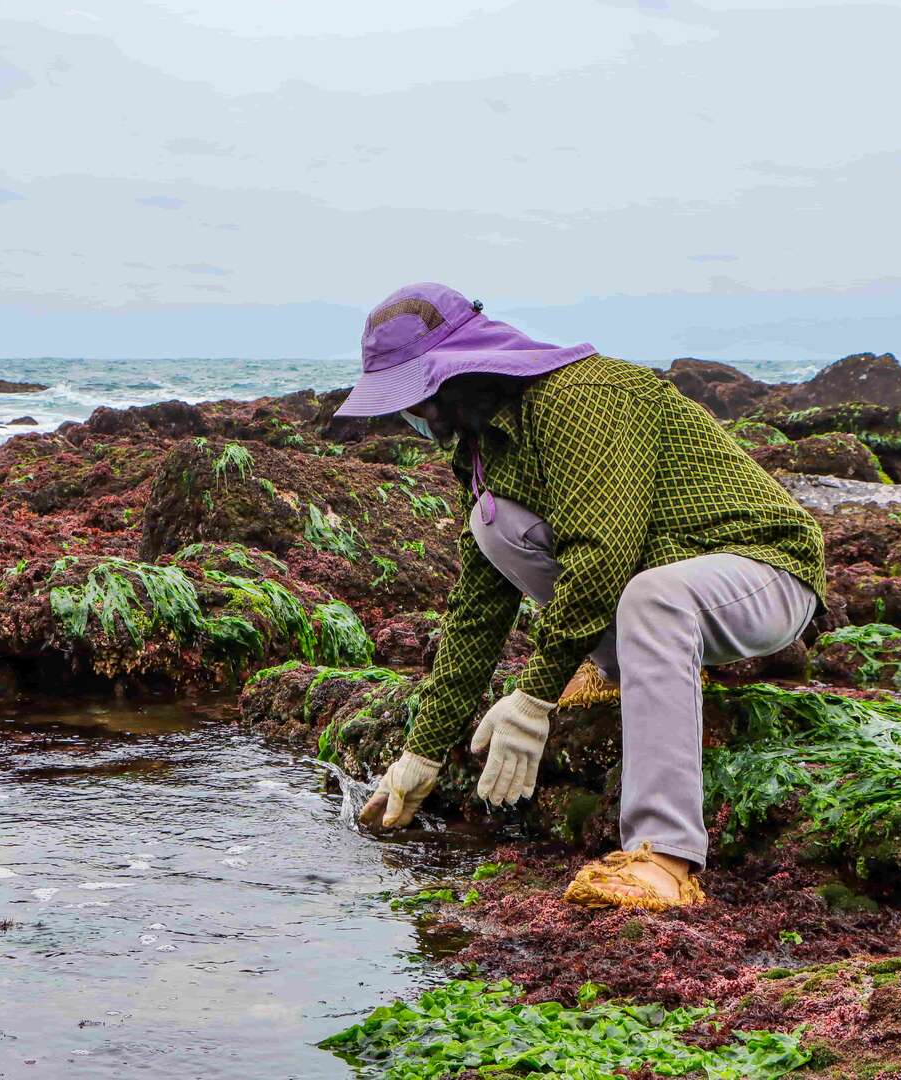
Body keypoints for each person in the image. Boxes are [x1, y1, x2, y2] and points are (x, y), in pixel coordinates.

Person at [333, 283, 825, 909]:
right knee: (494, 522)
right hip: (657, 590)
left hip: (761, 574)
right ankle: (617, 668)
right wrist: (421, 753)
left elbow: (602, 550)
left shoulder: (582, 397)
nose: (418, 416)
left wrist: (533, 696)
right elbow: (478, 605)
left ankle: (665, 858)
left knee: (653, 595)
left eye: (418, 398)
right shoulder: (483, 445)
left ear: (457, 374)